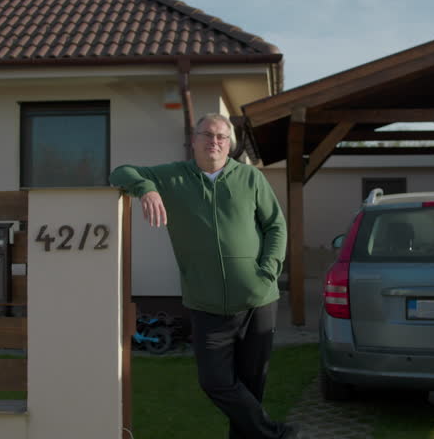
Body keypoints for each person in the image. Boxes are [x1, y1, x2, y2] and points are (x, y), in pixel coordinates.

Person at [110, 113, 298, 439]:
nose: (214, 142)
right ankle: (278, 434)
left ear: (230, 144)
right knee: (215, 383)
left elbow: (276, 226)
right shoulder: (173, 177)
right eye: (207, 135)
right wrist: (147, 190)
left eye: (221, 137)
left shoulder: (251, 179)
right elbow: (119, 172)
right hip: (207, 305)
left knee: (252, 388)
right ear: (194, 141)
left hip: (258, 302)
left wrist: (267, 271)